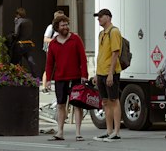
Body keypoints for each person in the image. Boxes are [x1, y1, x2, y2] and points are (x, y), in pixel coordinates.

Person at [44, 13, 89, 142]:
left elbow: (83, 59)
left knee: (77, 105)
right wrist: (47, 80)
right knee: (60, 105)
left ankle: (78, 133)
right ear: (57, 27)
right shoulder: (53, 44)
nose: (65, 27)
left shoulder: (76, 39)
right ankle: (60, 132)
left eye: (66, 24)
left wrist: (84, 75)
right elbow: (49, 64)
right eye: (63, 25)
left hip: (75, 78)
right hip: (60, 78)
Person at [94, 8, 123, 140]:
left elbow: (115, 53)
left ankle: (116, 131)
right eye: (98, 17)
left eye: (101, 16)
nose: (98, 19)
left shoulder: (114, 31)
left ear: (108, 17)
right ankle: (109, 129)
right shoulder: (102, 34)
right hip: (101, 72)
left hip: (110, 72)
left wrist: (111, 73)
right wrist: (96, 73)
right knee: (105, 101)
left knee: (114, 100)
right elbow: (100, 54)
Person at [11, 6, 38, 73]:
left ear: (18, 14)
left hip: (20, 44)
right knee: (31, 61)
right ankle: (35, 76)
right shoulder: (29, 21)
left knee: (14, 62)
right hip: (28, 44)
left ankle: (12, 77)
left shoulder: (18, 21)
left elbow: (16, 34)